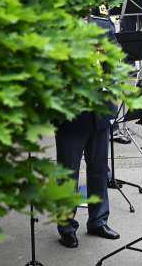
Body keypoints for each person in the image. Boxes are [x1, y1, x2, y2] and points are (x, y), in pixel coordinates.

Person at [55, 16, 121, 248]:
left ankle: (98, 220)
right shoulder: (57, 27)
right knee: (67, 172)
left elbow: (117, 61)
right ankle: (66, 226)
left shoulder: (103, 25)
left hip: (99, 109)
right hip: (72, 111)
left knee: (99, 169)